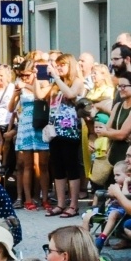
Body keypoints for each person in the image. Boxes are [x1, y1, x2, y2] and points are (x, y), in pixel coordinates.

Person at [46, 53, 87, 217]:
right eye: (57, 65)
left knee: (71, 167)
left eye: (62, 65)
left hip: (70, 131)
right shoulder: (56, 84)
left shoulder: (77, 81)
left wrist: (56, 77)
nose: (59, 68)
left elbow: (70, 94)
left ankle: (74, 205)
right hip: (54, 130)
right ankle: (61, 203)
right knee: (58, 167)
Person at [13, 56, 51, 210]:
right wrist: (16, 93)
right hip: (25, 125)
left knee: (43, 164)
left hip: (40, 124)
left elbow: (40, 95)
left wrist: (30, 83)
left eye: (27, 75)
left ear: (34, 73)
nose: (24, 78)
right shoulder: (20, 86)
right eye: (22, 75)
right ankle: (28, 199)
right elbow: (11, 108)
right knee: (27, 164)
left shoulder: (44, 83)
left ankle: (45, 198)